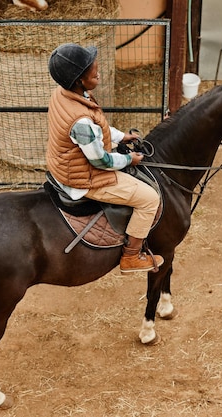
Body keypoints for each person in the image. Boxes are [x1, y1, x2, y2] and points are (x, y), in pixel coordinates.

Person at [46, 42, 164, 274]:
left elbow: (97, 131)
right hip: (83, 179)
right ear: (79, 79)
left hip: (64, 165)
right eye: (93, 69)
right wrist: (130, 160)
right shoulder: (80, 121)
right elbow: (100, 161)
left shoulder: (65, 94)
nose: (98, 71)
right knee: (149, 199)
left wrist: (122, 137)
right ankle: (131, 257)